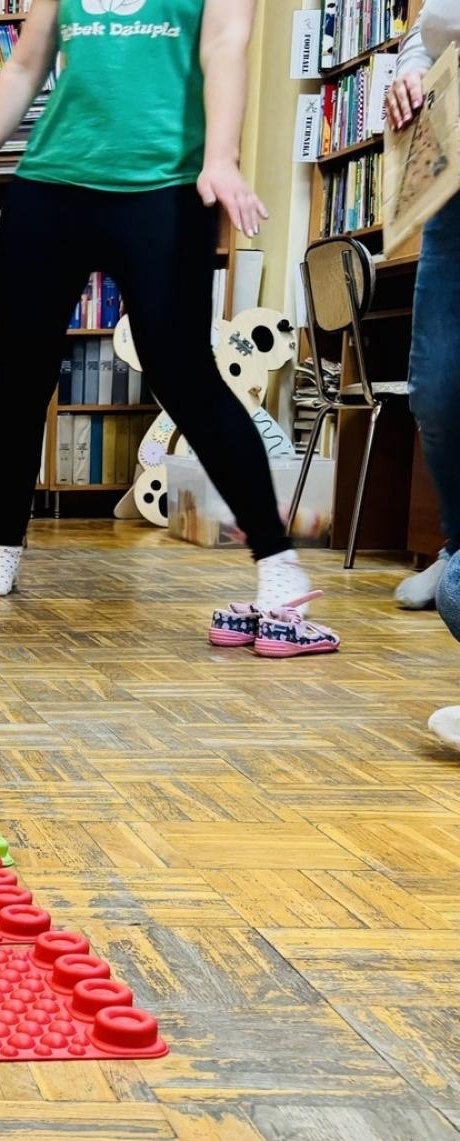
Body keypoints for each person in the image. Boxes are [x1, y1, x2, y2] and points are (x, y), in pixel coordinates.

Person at [0, 0, 334, 653]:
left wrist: (220, 155)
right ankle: (5, 548)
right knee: (19, 375)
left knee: (183, 374)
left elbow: (225, 48)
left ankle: (278, 567)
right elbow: (20, 69)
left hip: (164, 184)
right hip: (52, 182)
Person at [387, 0, 460, 743]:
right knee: (435, 386)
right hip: (452, 181)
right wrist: (408, 75)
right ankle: (457, 548)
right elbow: (424, 34)